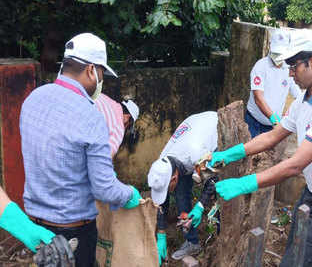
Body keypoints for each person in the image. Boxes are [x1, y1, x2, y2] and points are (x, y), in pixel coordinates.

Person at [207, 29, 312, 267]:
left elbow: (295, 164)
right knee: (294, 248)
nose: (290, 73)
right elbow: (274, 135)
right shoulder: (304, 99)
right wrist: (231, 153)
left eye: (293, 66)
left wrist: (244, 183)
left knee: (295, 261)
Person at [19, 33, 142, 267]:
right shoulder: (90, 115)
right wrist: (130, 195)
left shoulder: (33, 99)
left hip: (35, 229)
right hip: (73, 234)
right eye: (102, 73)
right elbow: (105, 189)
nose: (100, 81)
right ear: (90, 70)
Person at [147, 111, 218, 265]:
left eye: (167, 188)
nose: (165, 192)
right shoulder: (163, 162)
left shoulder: (196, 153)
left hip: (215, 130)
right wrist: (161, 234)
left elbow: (213, 181)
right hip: (193, 127)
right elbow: (161, 202)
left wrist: (200, 206)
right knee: (181, 195)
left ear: (174, 177)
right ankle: (193, 243)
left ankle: (219, 235)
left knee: (218, 189)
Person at [246, 29, 301, 138]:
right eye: (276, 53)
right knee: (249, 151)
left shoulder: (289, 69)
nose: (278, 57)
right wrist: (275, 120)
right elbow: (258, 98)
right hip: (254, 122)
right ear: (270, 47)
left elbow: (298, 95)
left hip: (271, 126)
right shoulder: (260, 66)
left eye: (281, 54)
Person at [95, 93, 139, 157]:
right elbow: (103, 158)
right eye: (129, 126)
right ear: (127, 118)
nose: (126, 128)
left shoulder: (103, 97)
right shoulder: (118, 127)